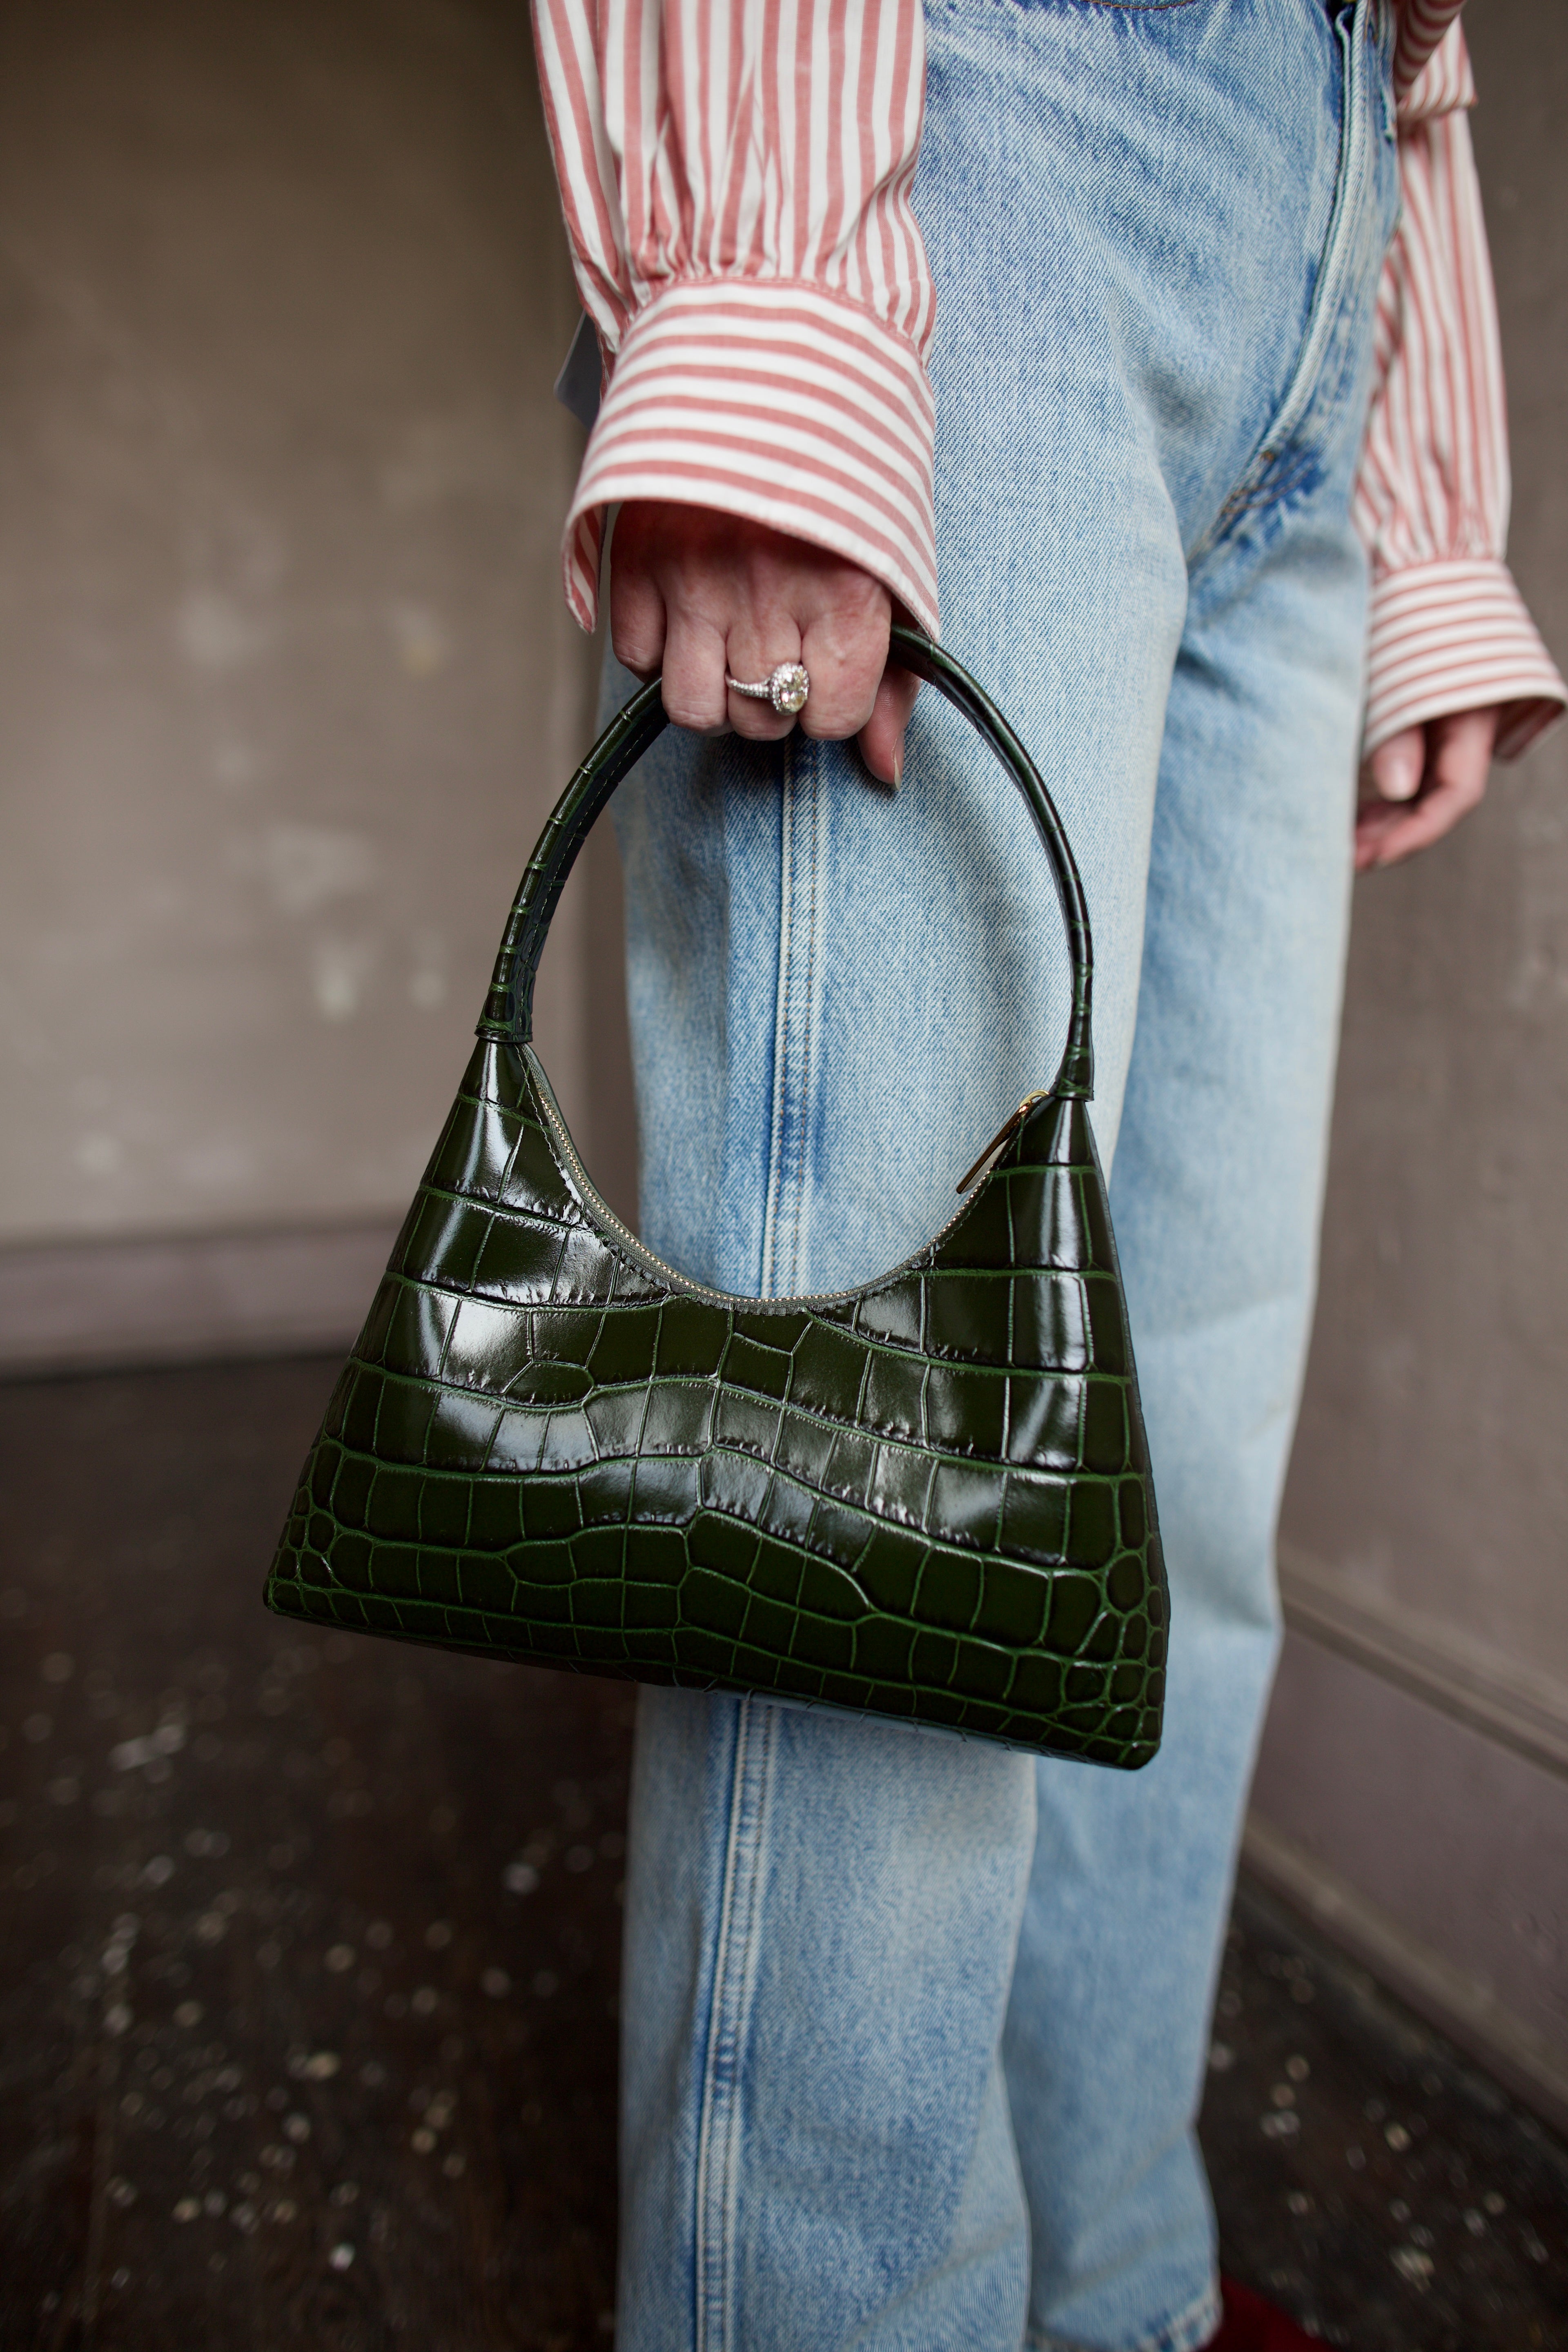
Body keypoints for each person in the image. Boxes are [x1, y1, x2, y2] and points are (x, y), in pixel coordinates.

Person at [530, 2, 1564, 2346]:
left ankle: (1115, 2290)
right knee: (881, 1502)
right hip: (970, 123)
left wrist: (1415, 505)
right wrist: (773, 280)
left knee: (1163, 1470)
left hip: (1340, 187)